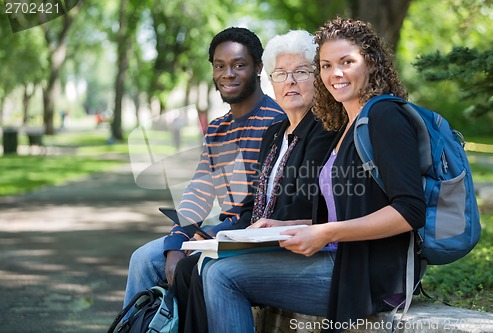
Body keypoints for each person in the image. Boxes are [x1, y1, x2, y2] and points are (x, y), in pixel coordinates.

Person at [203, 17, 426, 333]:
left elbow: (410, 210)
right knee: (213, 266)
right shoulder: (347, 124)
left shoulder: (385, 116)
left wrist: (327, 233)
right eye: (325, 65)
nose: (335, 73)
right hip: (341, 260)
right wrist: (290, 225)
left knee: (221, 275)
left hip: (370, 276)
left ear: (372, 64)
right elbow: (351, 209)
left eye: (346, 62)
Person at [177, 29, 341, 333]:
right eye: (281, 73)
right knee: (191, 263)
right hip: (265, 238)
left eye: (301, 72)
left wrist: (254, 229)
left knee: (212, 272)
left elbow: (306, 203)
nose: (289, 81)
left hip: (301, 248)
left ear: (317, 78)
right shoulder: (275, 134)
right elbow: (254, 201)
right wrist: (215, 233)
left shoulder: (325, 130)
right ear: (272, 81)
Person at [122, 27, 286, 330]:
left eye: (239, 65)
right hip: (217, 234)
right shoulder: (217, 128)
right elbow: (199, 190)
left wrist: (204, 239)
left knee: (180, 265)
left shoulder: (276, 122)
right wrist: (177, 240)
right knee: (144, 259)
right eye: (220, 66)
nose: (228, 74)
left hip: (248, 235)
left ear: (258, 68)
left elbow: (260, 204)